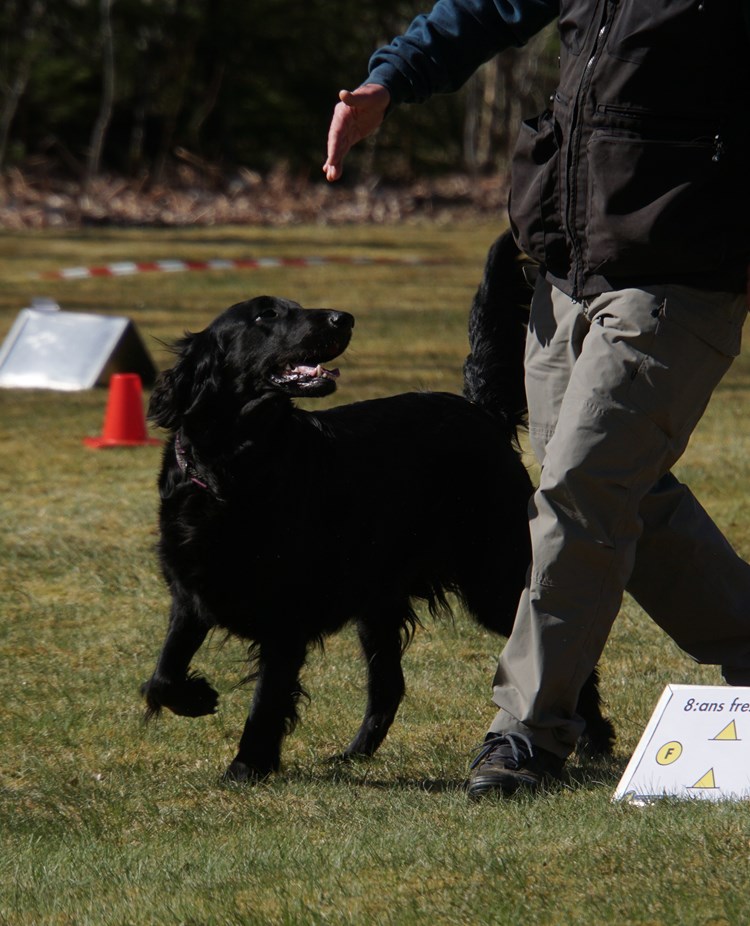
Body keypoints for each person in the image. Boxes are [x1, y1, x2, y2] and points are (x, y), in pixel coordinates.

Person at [324, 0, 750, 799]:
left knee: (581, 492)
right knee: (622, 493)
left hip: (680, 273)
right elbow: (483, 8)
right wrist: (388, 81)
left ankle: (527, 732)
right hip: (564, 270)